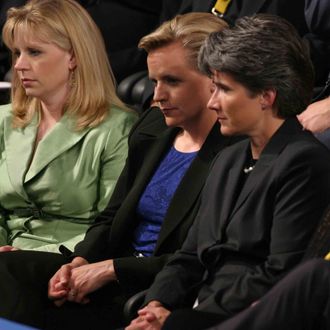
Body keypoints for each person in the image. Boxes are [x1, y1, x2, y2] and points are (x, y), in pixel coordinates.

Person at [0, 12, 241, 330]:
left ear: (216, 78)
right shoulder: (153, 127)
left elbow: (198, 256)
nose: (156, 96)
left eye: (172, 81)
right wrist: (80, 262)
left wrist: (109, 269)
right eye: (154, 81)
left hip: (157, 284)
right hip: (106, 270)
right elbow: (110, 217)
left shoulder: (235, 151)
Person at [126, 14, 330, 330]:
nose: (212, 103)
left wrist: (178, 320)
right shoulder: (228, 158)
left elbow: (280, 273)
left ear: (266, 95)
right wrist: (156, 303)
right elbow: (188, 256)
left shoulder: (304, 162)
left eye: (223, 89)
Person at [0, 0, 137, 253]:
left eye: (34, 52)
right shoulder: (3, 120)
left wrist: (27, 257)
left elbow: (111, 225)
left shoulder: (116, 128)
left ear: (73, 56)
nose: (19, 65)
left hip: (68, 260)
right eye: (17, 52)